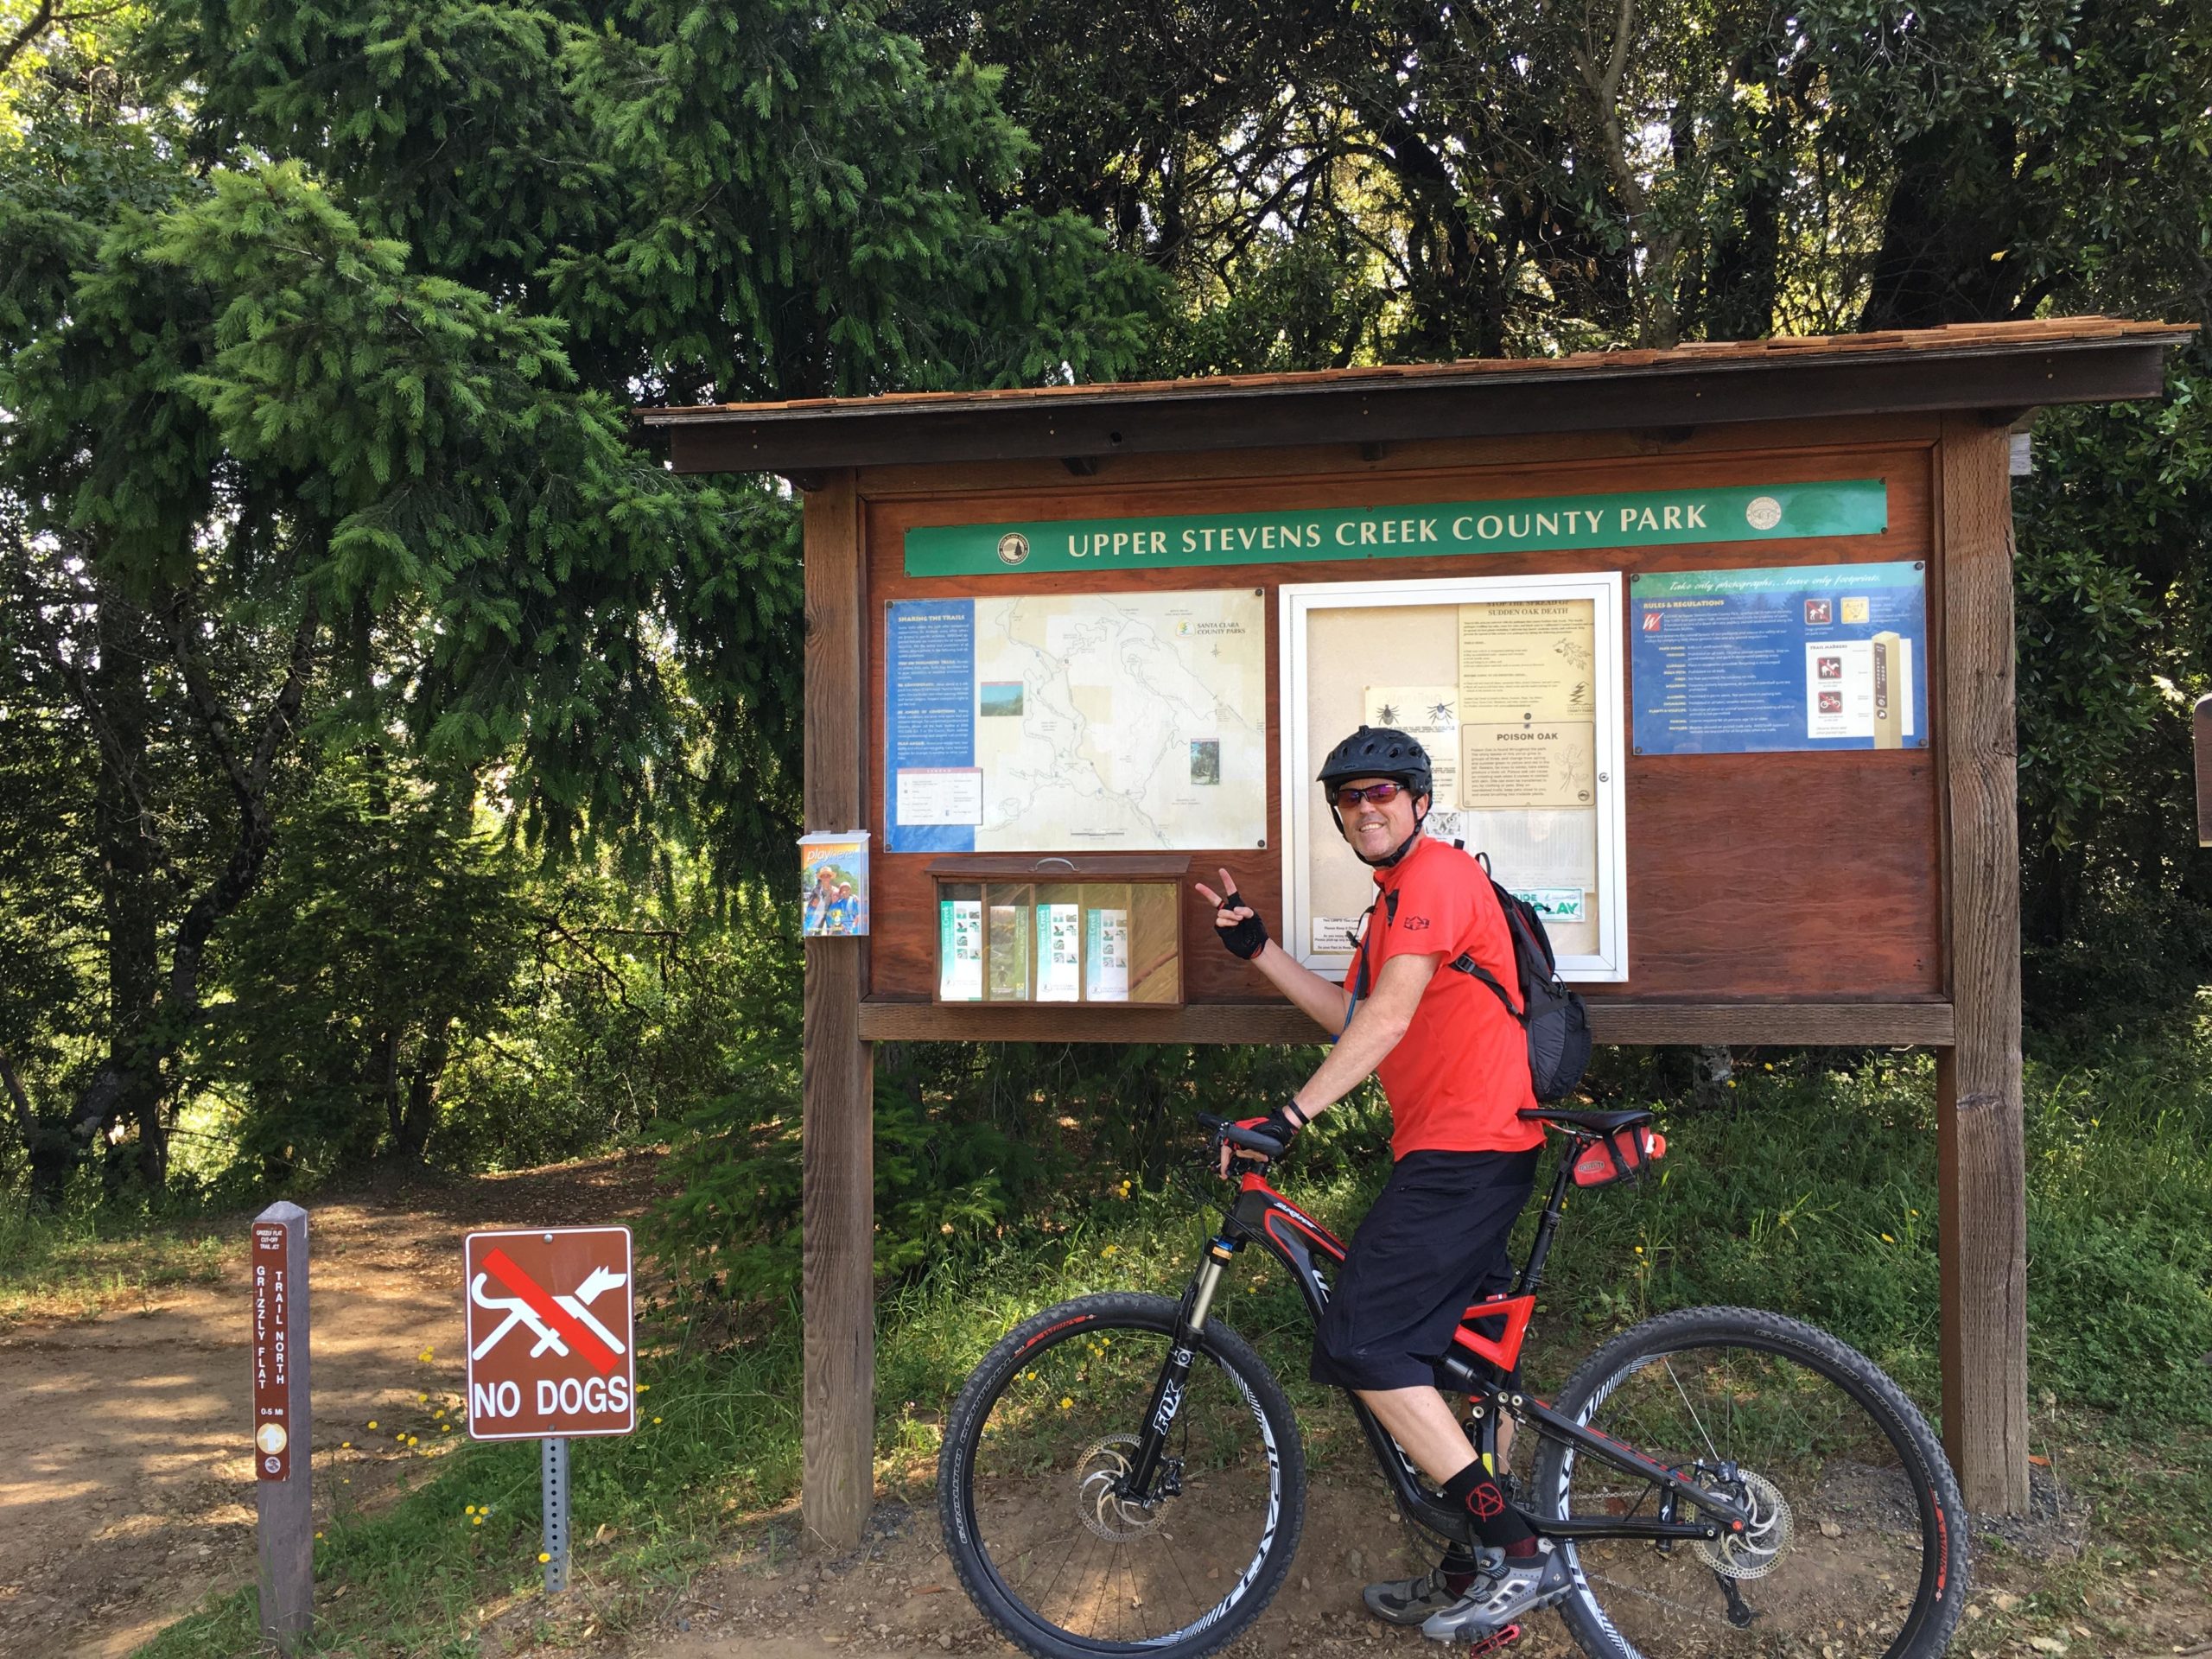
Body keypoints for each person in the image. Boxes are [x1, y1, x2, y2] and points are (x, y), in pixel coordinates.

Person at [1192, 725, 1568, 1643]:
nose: (1367, 808)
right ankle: (1467, 1571)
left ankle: (1518, 1554)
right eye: (1351, 797)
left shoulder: (1435, 877)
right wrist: (1260, 951)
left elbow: (1390, 1017)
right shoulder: (1396, 899)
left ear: (1418, 802)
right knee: (1470, 1364)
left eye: (1383, 794)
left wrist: (1288, 1119)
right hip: (1464, 1149)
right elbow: (1352, 1014)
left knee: (1363, 1341)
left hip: (1465, 1152)